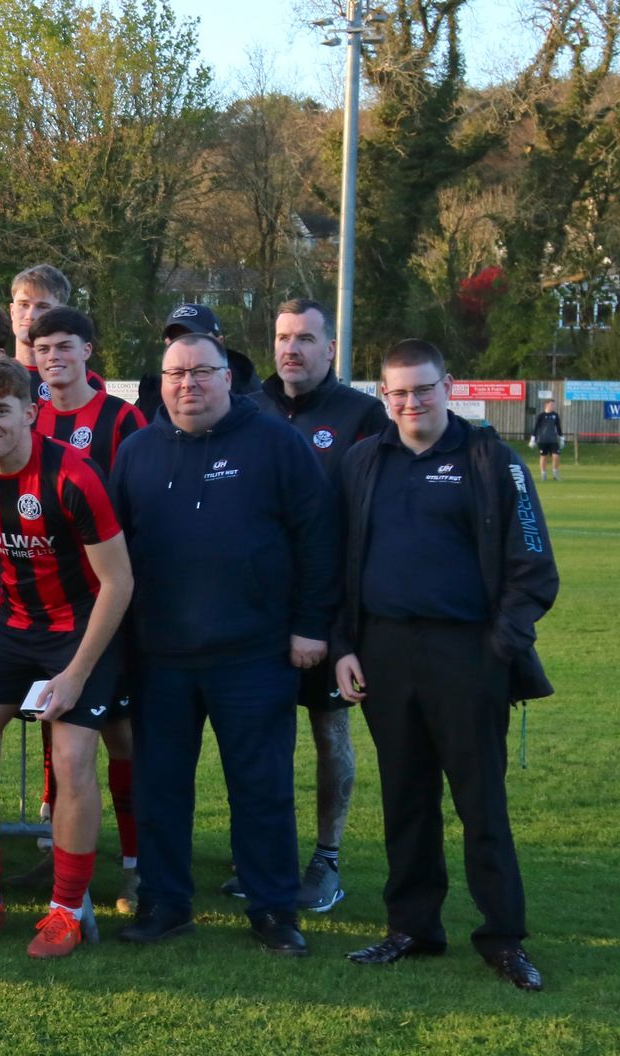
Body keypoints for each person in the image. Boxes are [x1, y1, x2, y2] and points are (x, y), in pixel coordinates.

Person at [335, 340, 556, 991]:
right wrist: (344, 644)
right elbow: (336, 561)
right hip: (383, 652)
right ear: (383, 395)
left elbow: (534, 565)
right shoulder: (361, 462)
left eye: (423, 388)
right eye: (399, 392)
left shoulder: (491, 459)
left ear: (448, 386)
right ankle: (413, 926)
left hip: (468, 653)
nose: (412, 402)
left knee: (480, 801)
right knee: (405, 798)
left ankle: (503, 935)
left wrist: (499, 646)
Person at [109, 332, 335, 956]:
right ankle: (165, 901)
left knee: (261, 789)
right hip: (160, 658)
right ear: (160, 381)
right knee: (160, 787)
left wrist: (311, 625)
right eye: (175, 373)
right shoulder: (136, 453)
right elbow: (113, 558)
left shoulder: (276, 443)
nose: (188, 384)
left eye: (202, 372)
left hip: (254, 655)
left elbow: (317, 537)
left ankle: (273, 909)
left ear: (228, 378)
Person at [0, 356, 132, 959]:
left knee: (72, 760)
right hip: (14, 628)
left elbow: (119, 584)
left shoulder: (75, 476)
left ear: (30, 412)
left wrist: (75, 674)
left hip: (82, 631)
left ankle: (66, 909)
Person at [246, 297, 389, 913]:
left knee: (330, 734)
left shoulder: (362, 414)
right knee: (258, 736)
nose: (291, 349)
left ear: (331, 349)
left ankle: (326, 858)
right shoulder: (248, 407)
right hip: (254, 612)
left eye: (305, 338)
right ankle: (267, 854)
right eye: (282, 337)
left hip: (330, 609)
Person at [26, 308, 147, 913]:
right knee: (56, 730)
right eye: (42, 348)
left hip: (107, 604)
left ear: (87, 352)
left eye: (64, 346)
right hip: (44, 607)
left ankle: (135, 864)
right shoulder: (26, 415)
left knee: (121, 736)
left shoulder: (123, 419)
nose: (53, 357)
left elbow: (138, 507)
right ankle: (60, 851)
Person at [134, 304, 256, 419]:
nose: (184, 347)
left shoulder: (252, 398)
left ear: (219, 342)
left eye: (195, 339)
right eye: (176, 340)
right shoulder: (150, 399)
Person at [531, 400, 562, 480]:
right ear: (547, 405)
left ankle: (555, 473)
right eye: (552, 405)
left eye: (554, 405)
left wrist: (561, 437)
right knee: (543, 457)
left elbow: (558, 427)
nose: (553, 406)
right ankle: (543, 474)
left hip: (553, 440)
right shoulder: (541, 415)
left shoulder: (555, 415)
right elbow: (536, 427)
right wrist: (533, 438)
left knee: (556, 456)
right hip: (543, 440)